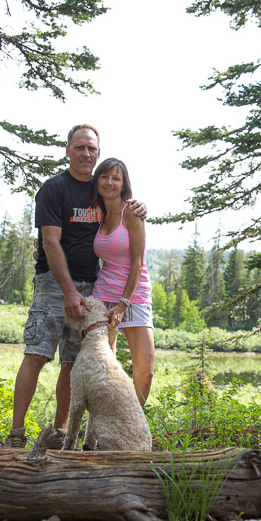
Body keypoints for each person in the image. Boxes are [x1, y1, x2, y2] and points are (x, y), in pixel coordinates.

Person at [5, 124, 145, 448]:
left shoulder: (100, 191)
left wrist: (140, 206)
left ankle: (59, 435)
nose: (86, 153)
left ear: (98, 153)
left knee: (72, 363)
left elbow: (122, 212)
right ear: (68, 150)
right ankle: (16, 434)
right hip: (54, 285)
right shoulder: (54, 189)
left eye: (91, 148)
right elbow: (50, 242)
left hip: (92, 289)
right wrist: (69, 292)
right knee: (36, 354)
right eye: (79, 147)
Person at [90, 158, 155, 406]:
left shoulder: (131, 212)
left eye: (116, 178)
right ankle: (105, 424)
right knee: (105, 370)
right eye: (104, 177)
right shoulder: (97, 213)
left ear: (123, 184)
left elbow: (137, 264)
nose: (109, 182)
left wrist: (123, 304)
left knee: (145, 371)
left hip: (134, 298)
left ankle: (133, 420)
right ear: (97, 181)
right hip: (102, 297)